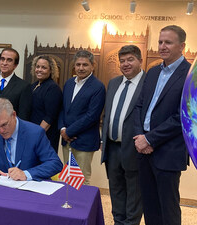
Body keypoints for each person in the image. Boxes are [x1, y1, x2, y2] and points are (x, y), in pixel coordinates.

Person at [133, 25, 190, 225]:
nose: (162, 46)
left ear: (182, 45)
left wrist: (150, 138)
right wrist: (141, 138)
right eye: (160, 42)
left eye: (168, 42)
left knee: (168, 208)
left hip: (168, 151)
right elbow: (140, 106)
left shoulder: (191, 75)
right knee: (150, 206)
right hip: (143, 150)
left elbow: (182, 116)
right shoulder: (153, 71)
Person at [101, 45, 145, 224]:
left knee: (134, 199)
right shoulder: (114, 83)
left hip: (135, 150)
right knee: (116, 195)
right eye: (122, 61)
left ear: (140, 61)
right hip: (112, 149)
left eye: (130, 60)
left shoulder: (148, 84)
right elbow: (108, 114)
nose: (125, 64)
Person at [0, 98, 63, 181]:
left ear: (14, 115)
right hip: (4, 187)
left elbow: (55, 164)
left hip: (31, 187)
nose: (1, 130)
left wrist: (26, 174)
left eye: (4, 124)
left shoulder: (35, 133)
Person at [58, 50, 105, 185]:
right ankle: (67, 203)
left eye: (85, 65)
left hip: (84, 140)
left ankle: (81, 206)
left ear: (93, 66)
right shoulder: (69, 83)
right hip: (67, 140)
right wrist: (62, 129)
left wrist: (69, 131)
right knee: (68, 177)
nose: (81, 68)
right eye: (78, 64)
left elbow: (92, 116)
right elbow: (62, 109)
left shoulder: (98, 87)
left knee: (82, 180)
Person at [30, 55, 63, 152]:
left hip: (44, 136)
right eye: (38, 66)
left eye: (44, 67)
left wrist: (37, 135)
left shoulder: (53, 88)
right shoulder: (34, 86)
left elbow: (50, 117)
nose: (39, 70)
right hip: (32, 133)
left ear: (51, 70)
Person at [0, 48, 32, 121]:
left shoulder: (24, 86)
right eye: (2, 59)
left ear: (15, 65)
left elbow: (23, 116)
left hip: (9, 130)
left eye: (9, 60)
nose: (4, 63)